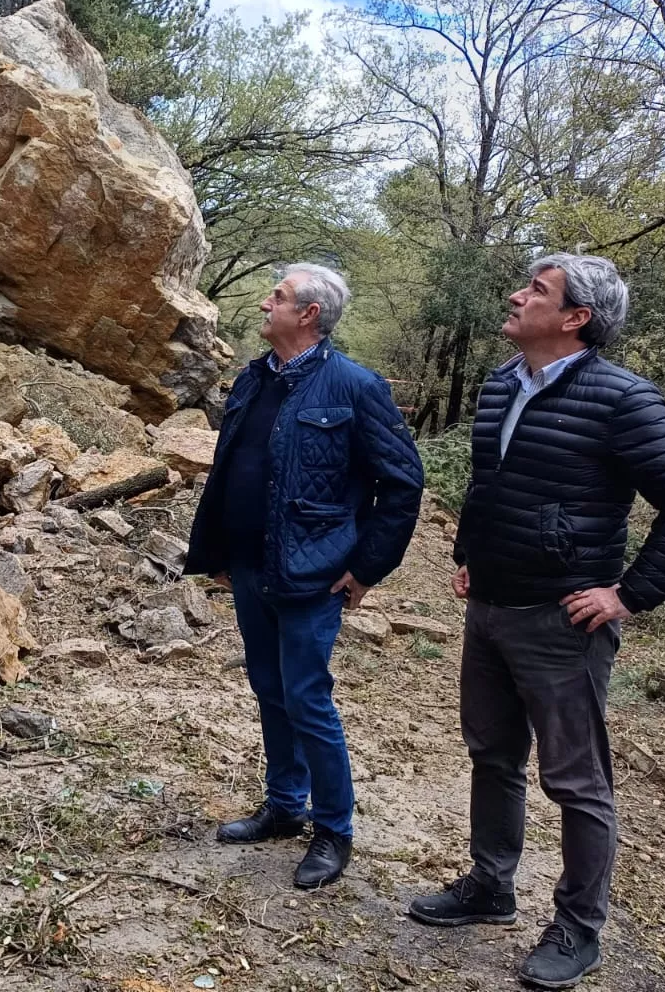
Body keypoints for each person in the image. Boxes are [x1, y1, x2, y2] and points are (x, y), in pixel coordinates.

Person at [407, 254, 665, 989]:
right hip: (490, 609)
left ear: (576, 318)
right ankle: (490, 886)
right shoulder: (498, 383)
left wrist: (628, 594)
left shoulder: (621, 399)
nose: (517, 295)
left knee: (576, 784)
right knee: (492, 755)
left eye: (537, 291)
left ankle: (580, 928)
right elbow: (489, 484)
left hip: (562, 623)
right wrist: (468, 551)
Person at [184, 263, 424, 890]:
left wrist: (367, 567)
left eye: (278, 296)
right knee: (268, 686)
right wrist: (221, 554)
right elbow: (231, 470)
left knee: (307, 698)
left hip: (313, 572)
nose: (266, 304)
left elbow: (402, 485)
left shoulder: (355, 387)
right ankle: (284, 805)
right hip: (249, 566)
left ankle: (333, 829)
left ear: (309, 314)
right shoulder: (252, 379)